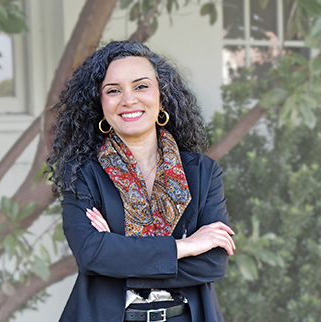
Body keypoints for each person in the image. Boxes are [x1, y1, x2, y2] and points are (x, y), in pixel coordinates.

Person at [47, 40, 235, 322]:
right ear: (100, 104)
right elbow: (91, 255)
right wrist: (185, 247)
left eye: (141, 86)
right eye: (113, 90)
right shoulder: (82, 174)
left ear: (162, 97)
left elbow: (212, 263)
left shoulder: (202, 173)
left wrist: (118, 251)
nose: (128, 99)